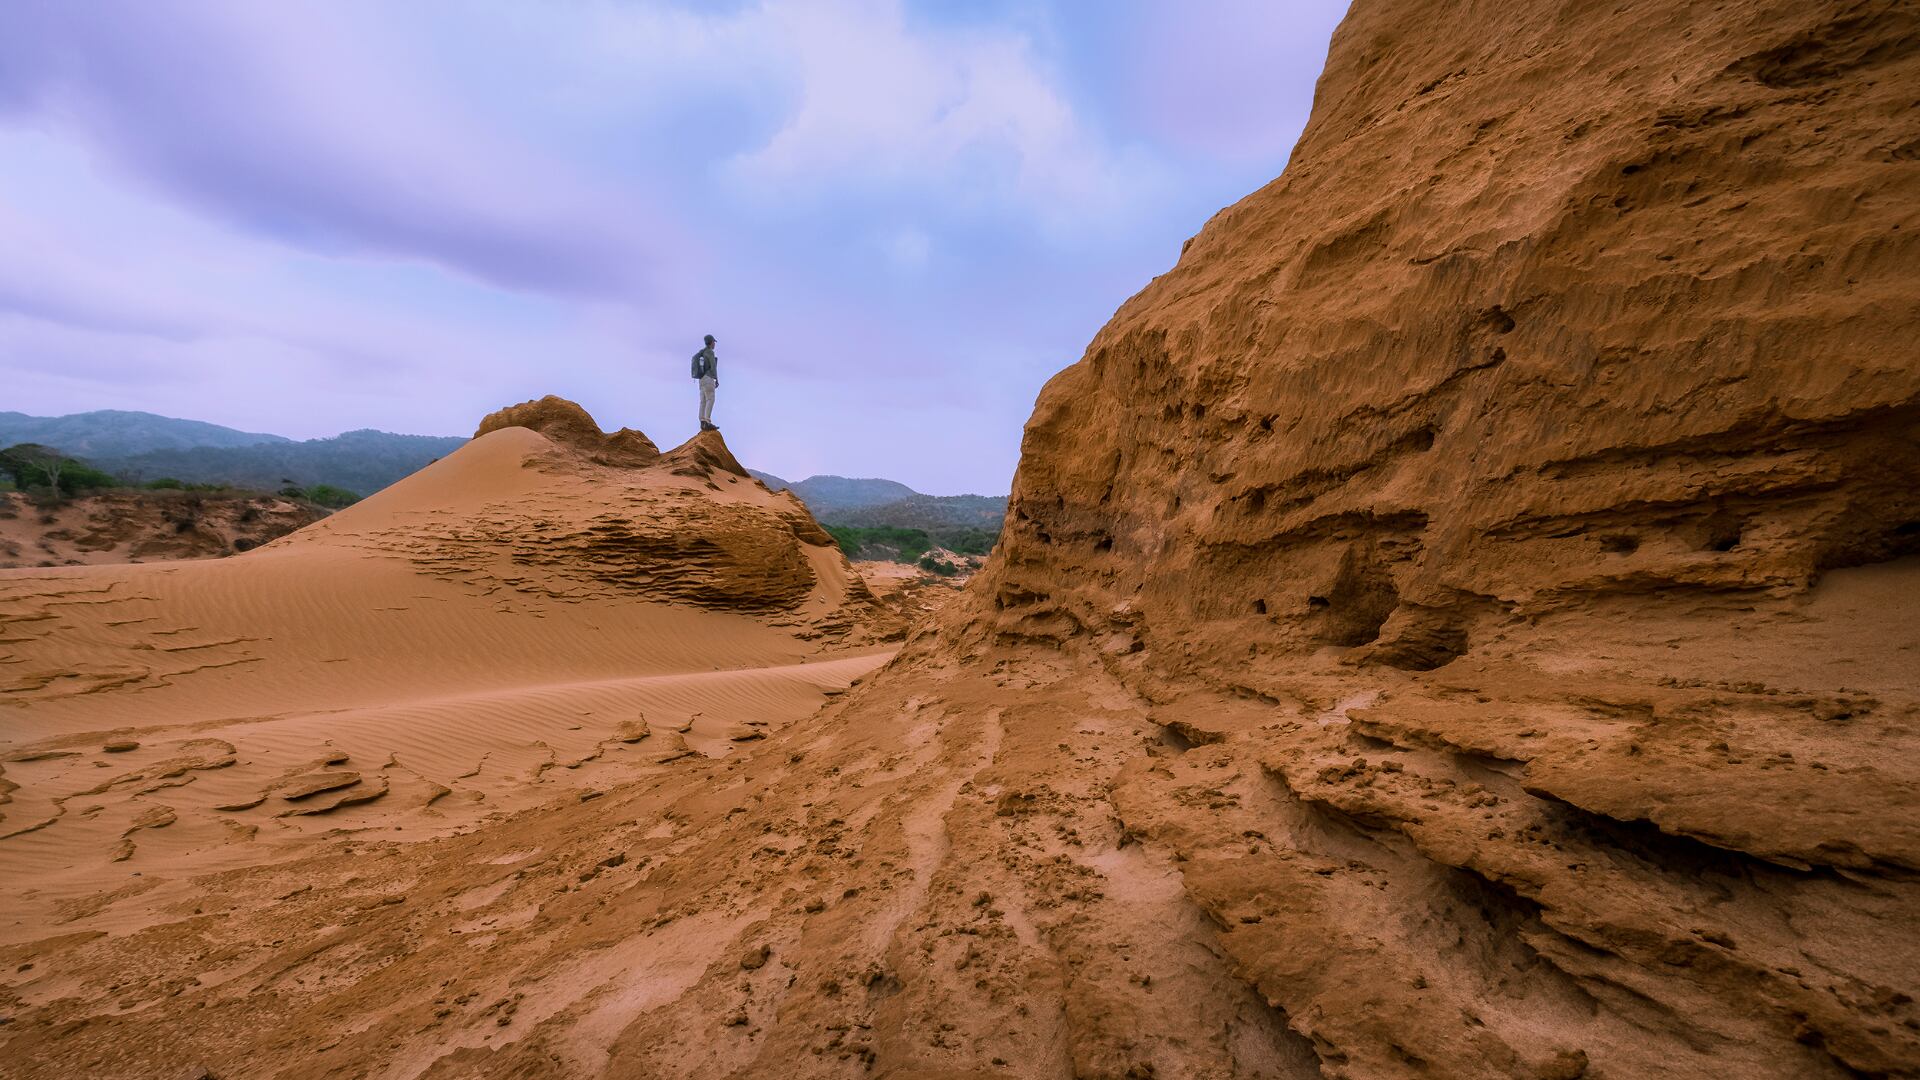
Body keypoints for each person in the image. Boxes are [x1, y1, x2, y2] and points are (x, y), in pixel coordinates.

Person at [691, 334, 719, 431]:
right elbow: (713, 367)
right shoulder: (710, 352)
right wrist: (716, 379)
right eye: (714, 342)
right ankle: (707, 421)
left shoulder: (701, 353)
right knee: (710, 399)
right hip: (708, 378)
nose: (714, 344)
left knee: (702, 401)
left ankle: (702, 421)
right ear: (711, 342)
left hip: (701, 380)